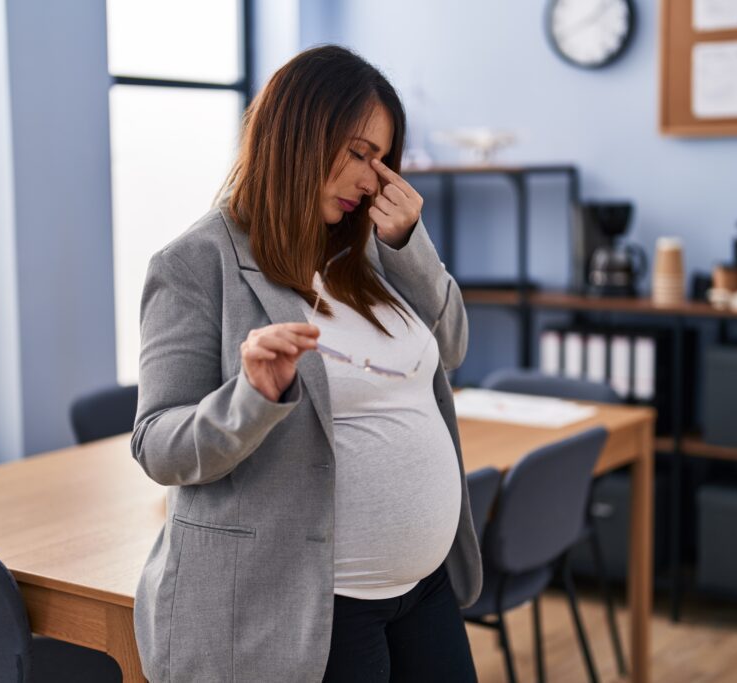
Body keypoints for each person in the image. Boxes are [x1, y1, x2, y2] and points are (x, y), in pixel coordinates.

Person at [131, 45, 481, 682]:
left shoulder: (366, 250)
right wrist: (252, 398)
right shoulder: (195, 264)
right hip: (313, 606)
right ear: (297, 133)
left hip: (423, 588)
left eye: (382, 160)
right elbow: (159, 447)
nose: (373, 181)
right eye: (359, 154)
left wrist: (409, 243)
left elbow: (453, 345)